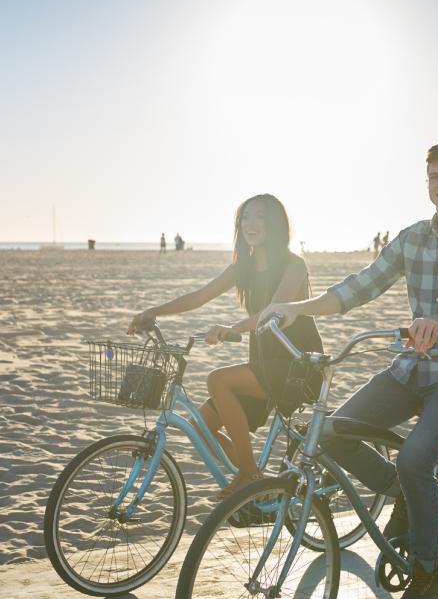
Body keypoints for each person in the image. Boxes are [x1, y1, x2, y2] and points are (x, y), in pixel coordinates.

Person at [260, 142, 438, 599]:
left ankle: (428, 575)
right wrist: (295, 308)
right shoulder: (412, 237)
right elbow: (360, 286)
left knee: (415, 457)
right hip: (411, 368)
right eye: (434, 176)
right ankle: (408, 495)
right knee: (333, 434)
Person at [130, 195, 323, 497]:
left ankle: (247, 475)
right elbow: (198, 296)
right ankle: (259, 480)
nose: (251, 223)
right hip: (263, 363)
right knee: (201, 430)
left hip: (295, 365)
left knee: (217, 379)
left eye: (260, 217)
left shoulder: (294, 265)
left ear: (275, 224)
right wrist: (153, 312)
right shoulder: (241, 269)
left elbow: (274, 309)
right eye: (245, 218)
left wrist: (231, 329)